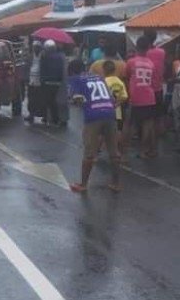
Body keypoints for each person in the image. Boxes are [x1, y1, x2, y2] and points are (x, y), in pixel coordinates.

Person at [67, 59, 122, 193]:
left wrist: (79, 102)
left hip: (93, 115)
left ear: (72, 70)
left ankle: (83, 184)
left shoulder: (76, 79)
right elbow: (112, 98)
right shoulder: (99, 77)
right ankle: (116, 183)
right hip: (109, 112)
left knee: (89, 152)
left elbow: (76, 98)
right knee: (114, 151)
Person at [124, 36, 158, 159]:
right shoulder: (151, 63)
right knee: (147, 125)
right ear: (148, 48)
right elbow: (153, 82)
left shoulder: (131, 62)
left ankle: (124, 154)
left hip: (135, 96)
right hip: (149, 97)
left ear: (136, 47)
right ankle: (144, 151)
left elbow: (126, 76)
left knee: (130, 124)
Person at [143, 30, 167, 131]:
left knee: (147, 117)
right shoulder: (162, 52)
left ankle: (148, 137)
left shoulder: (143, 53)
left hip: (146, 89)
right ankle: (159, 135)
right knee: (159, 114)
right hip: (159, 87)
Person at [40, 39, 65, 126]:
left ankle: (49, 118)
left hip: (47, 82)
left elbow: (42, 70)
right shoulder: (59, 57)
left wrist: (42, 80)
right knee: (53, 101)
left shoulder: (44, 57)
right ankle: (54, 118)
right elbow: (61, 70)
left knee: (47, 101)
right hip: (57, 82)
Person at [103, 60, 128, 146]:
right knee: (118, 129)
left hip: (106, 109)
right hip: (118, 109)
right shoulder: (120, 82)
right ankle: (119, 147)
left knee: (104, 129)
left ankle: (103, 146)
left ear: (104, 70)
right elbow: (124, 96)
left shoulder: (104, 81)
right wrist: (117, 104)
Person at [25, 41, 44, 124]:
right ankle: (31, 115)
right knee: (31, 99)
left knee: (40, 99)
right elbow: (27, 66)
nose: (35, 49)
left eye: (37, 47)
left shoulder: (43, 56)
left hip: (40, 81)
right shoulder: (30, 56)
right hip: (31, 81)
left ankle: (43, 115)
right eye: (34, 47)